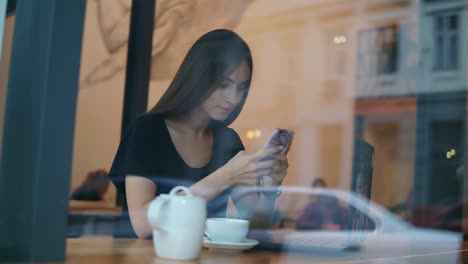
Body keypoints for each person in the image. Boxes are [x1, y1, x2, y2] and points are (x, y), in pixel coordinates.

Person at [109, 29, 291, 238]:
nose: (233, 98)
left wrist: (270, 184)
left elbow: (254, 226)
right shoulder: (147, 131)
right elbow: (142, 225)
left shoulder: (228, 141)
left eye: (242, 87)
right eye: (224, 85)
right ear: (197, 78)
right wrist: (224, 177)